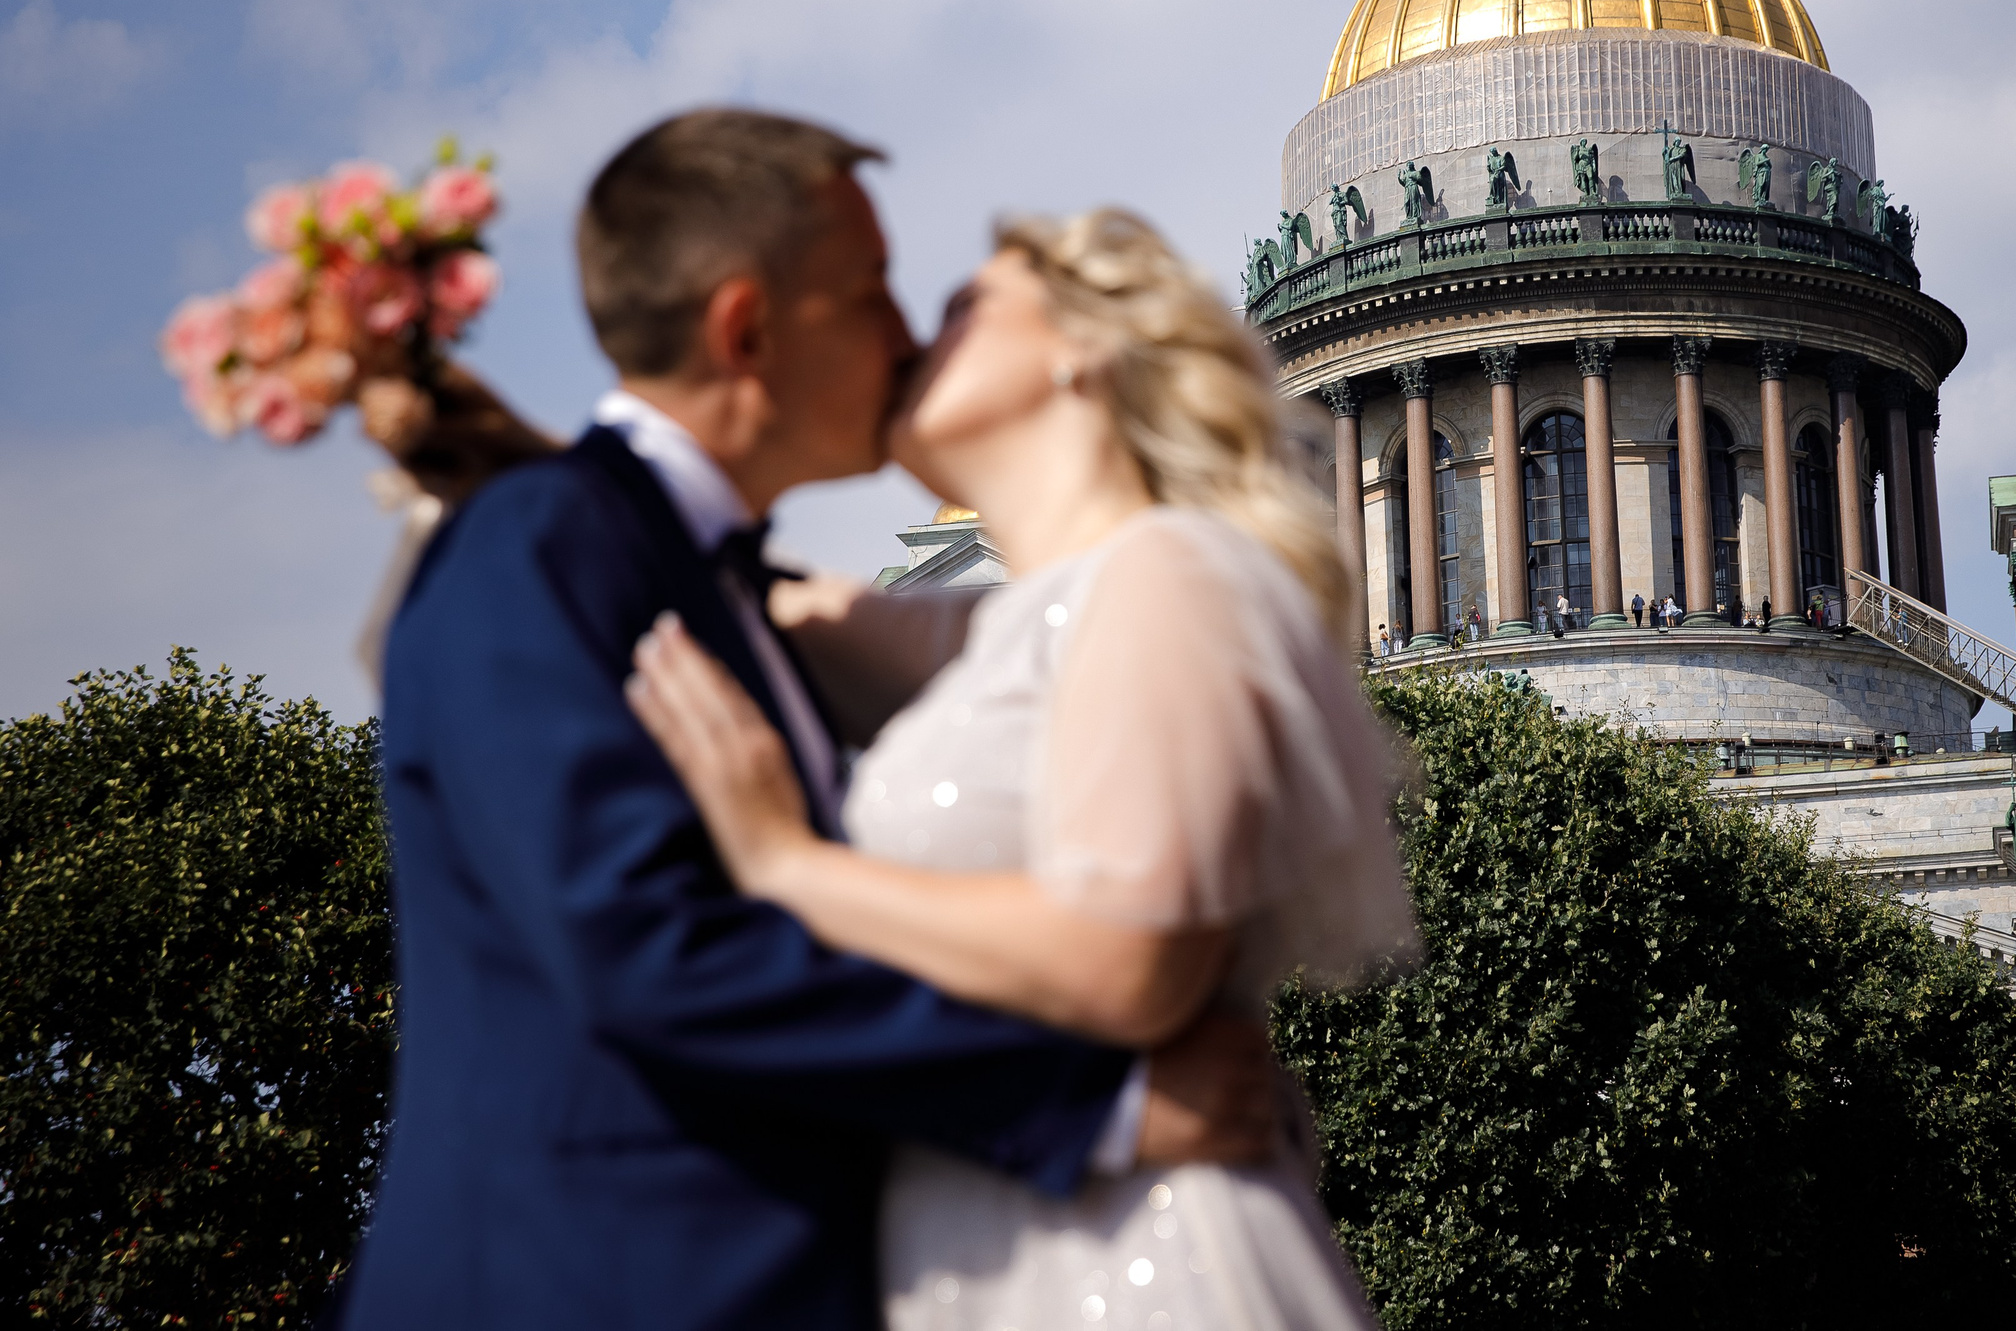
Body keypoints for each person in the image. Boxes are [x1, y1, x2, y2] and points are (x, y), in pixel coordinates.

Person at [342, 113, 1278, 1331]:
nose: (903, 338)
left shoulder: (679, 567)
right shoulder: (543, 541)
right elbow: (649, 945)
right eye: (872, 290)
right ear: (748, 329)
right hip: (595, 1283)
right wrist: (1088, 1103)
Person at [626, 207, 1414, 1331]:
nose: (907, 339)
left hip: (1131, 1268)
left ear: (1079, 348)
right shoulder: (1031, 619)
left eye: (960, 307)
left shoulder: (1174, 573)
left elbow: (1133, 964)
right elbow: (736, 577)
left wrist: (785, 866)